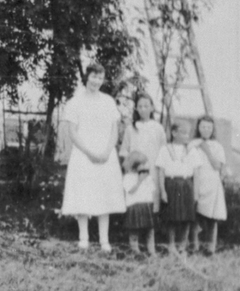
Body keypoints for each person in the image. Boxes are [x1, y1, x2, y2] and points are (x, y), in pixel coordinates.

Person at [59, 63, 125, 253]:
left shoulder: (108, 101)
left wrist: (106, 151)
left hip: (106, 155)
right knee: (83, 194)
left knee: (104, 195)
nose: (96, 81)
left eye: (100, 77)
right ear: (86, 77)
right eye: (93, 76)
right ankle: (84, 238)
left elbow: (114, 129)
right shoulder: (75, 102)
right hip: (83, 155)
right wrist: (89, 153)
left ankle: (105, 240)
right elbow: (72, 132)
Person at [120, 93, 165, 255]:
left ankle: (151, 246)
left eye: (147, 105)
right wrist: (131, 167)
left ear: (152, 107)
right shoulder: (131, 129)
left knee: (150, 208)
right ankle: (134, 246)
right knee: (136, 207)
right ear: (136, 108)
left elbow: (163, 151)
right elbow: (124, 151)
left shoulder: (158, 128)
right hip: (134, 172)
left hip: (151, 172)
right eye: (140, 106)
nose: (143, 109)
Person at [156, 121, 203, 256]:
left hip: (186, 184)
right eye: (183, 132)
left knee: (187, 216)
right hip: (171, 183)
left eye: (188, 133)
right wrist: (163, 191)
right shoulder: (165, 149)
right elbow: (161, 171)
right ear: (174, 133)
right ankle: (171, 245)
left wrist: (196, 192)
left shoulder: (191, 150)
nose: (186, 136)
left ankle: (183, 244)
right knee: (172, 216)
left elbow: (196, 173)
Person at [188, 115, 227, 255]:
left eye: (209, 127)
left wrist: (207, 150)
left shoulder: (217, 146)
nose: (206, 130)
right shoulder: (193, 144)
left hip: (212, 182)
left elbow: (217, 166)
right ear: (198, 127)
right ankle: (195, 246)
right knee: (195, 216)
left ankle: (210, 248)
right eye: (203, 126)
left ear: (213, 129)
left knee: (212, 218)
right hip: (198, 181)